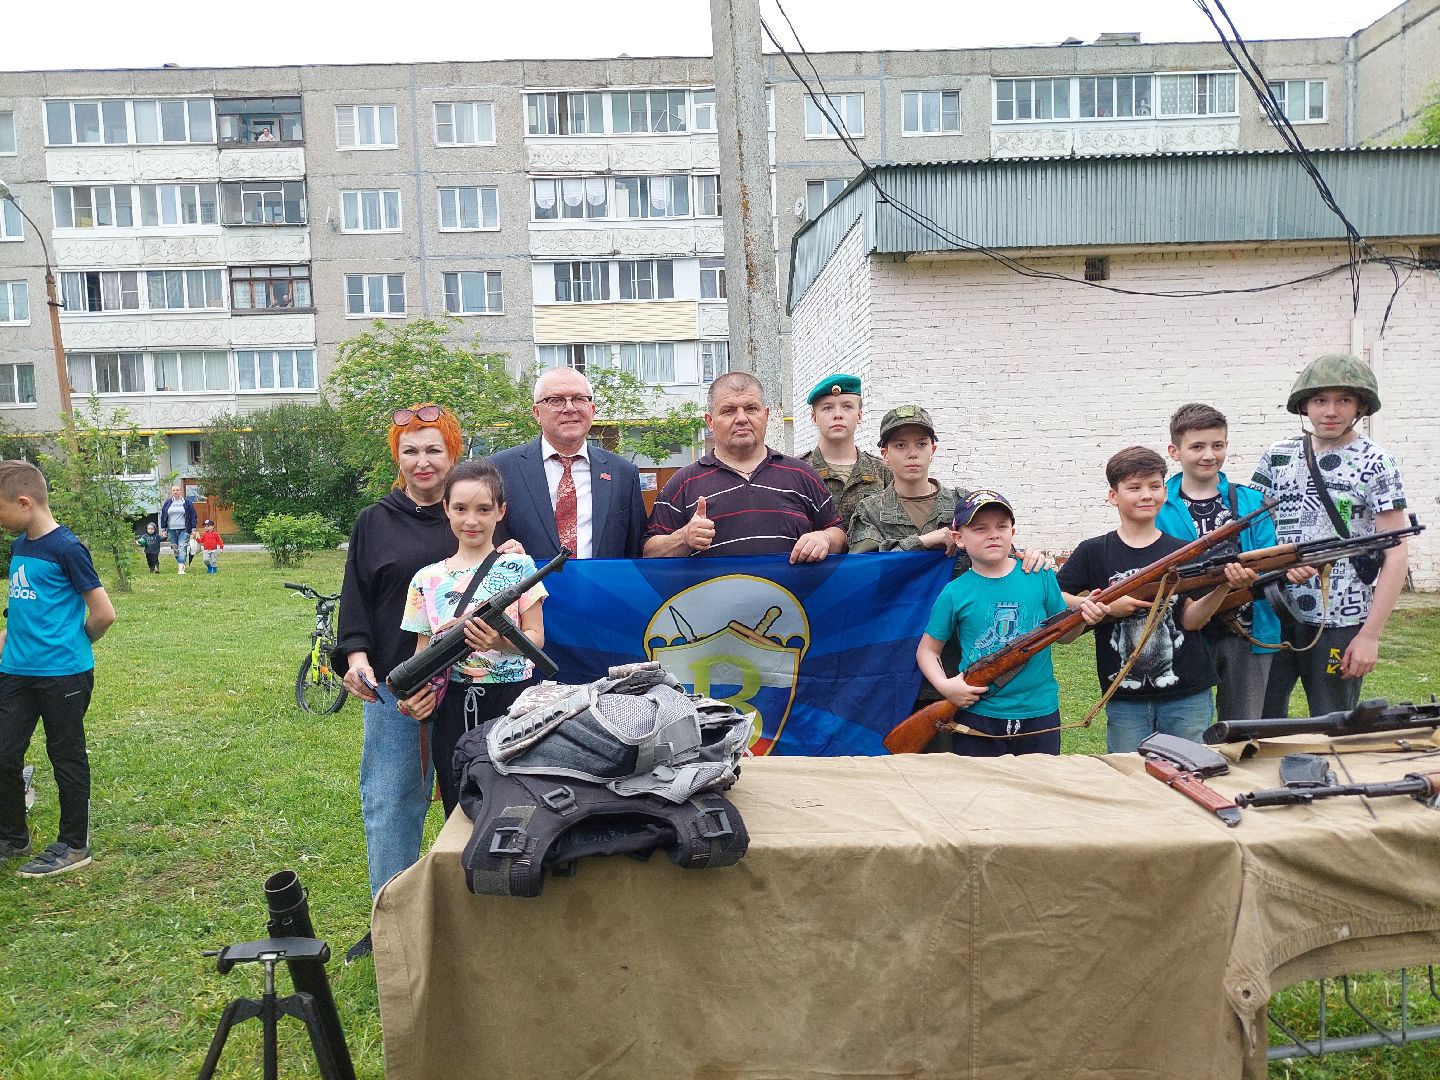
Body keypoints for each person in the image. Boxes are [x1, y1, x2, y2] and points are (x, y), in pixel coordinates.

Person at [335, 403, 464, 963]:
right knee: (391, 802)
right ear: (397, 458)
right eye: (410, 450)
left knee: (475, 798)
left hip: (471, 687)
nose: (422, 461)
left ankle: (475, 912)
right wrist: (356, 658)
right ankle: (392, 921)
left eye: (434, 449)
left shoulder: (473, 509)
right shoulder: (375, 521)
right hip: (398, 689)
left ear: (453, 453)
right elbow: (357, 597)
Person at [1057, 446, 1256, 753]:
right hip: (1125, 696)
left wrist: (1222, 587)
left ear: (1165, 491)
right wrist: (1102, 607)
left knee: (1190, 770)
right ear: (1113, 496)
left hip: (1187, 694)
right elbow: (1055, 595)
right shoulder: (1093, 551)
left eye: (1154, 486)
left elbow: (1191, 620)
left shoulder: (1184, 551)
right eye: (1134, 488)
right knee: (1128, 775)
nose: (1146, 495)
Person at [1251, 354, 1409, 717]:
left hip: (1341, 618)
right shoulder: (1277, 456)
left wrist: (1370, 635)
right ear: (1304, 405)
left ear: (1360, 406)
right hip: (1274, 610)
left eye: (1344, 400)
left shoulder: (1376, 462)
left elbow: (1396, 552)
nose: (1331, 411)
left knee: (1333, 723)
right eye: (1320, 400)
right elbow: (1255, 530)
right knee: (1259, 721)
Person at [397, 460, 547, 816]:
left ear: (500, 511)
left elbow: (536, 638)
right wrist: (412, 700)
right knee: (460, 807)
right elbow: (422, 656)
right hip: (452, 706)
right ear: (446, 508)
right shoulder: (425, 580)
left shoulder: (520, 567)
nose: (471, 520)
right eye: (461, 508)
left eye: (483, 509)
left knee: (516, 805)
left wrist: (498, 642)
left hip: (514, 703)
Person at [1155, 403, 1314, 723]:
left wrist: (1289, 571)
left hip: (1247, 634)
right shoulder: (1158, 503)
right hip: (1181, 636)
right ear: (1175, 451)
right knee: (1184, 729)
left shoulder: (1251, 501)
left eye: (1217, 445)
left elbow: (1269, 559)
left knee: (1243, 728)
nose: (1208, 455)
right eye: (1197, 447)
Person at [917, 491, 1108, 756]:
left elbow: (1064, 635)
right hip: (979, 712)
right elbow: (928, 650)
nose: (993, 535)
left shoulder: (1040, 575)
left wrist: (1082, 618)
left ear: (1013, 532)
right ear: (959, 538)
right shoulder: (954, 592)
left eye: (1001, 526)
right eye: (980, 528)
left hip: (1039, 711)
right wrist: (947, 687)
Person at [0, 460, 116, 878]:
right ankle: (13, 836)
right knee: (4, 753)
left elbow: (104, 613)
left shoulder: (67, 548)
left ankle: (73, 844)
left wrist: (71, 644)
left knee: (65, 755)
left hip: (62, 674)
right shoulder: (20, 547)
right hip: (15, 672)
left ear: (24, 502)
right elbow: (23, 608)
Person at [645, 372, 844, 562]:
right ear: (710, 421)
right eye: (728, 410)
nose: (741, 418)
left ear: (766, 415)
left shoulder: (802, 475)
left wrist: (825, 538)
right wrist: (683, 538)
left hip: (792, 589)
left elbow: (840, 534)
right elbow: (648, 553)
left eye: (751, 408)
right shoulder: (683, 483)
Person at [489, 368, 647, 560]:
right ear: (537, 413)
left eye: (579, 399)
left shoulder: (623, 473)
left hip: (602, 580)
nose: (570, 408)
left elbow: (635, 551)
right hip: (526, 580)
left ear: (592, 409)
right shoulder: (498, 470)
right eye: (556, 400)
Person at [848, 405, 967, 559]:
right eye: (900, 445)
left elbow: (994, 557)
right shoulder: (870, 512)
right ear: (885, 455)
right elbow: (866, 566)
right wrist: (921, 542)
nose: (912, 454)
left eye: (921, 444)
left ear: (932, 451)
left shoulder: (962, 504)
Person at [802, 373, 890, 530]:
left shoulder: (882, 472)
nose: (838, 415)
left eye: (847, 407)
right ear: (814, 418)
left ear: (859, 415)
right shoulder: (798, 471)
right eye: (827, 408)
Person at [158, 482, 196, 575]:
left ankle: (181, 569)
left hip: (184, 529)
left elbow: (193, 515)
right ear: (172, 492)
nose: (175, 492)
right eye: (174, 490)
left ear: (181, 491)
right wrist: (163, 529)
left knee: (182, 547)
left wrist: (193, 529)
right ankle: (181, 563)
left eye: (177, 490)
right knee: (175, 548)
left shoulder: (187, 503)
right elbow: (163, 516)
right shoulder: (168, 503)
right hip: (171, 530)